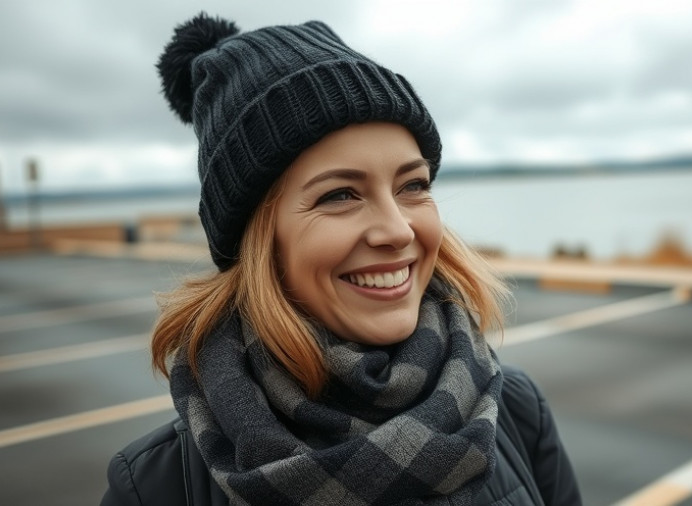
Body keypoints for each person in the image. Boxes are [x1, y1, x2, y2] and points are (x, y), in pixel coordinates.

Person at [101, 12, 581, 506]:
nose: (398, 230)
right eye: (340, 195)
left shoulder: (518, 412)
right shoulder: (154, 487)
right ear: (257, 240)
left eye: (413, 185)